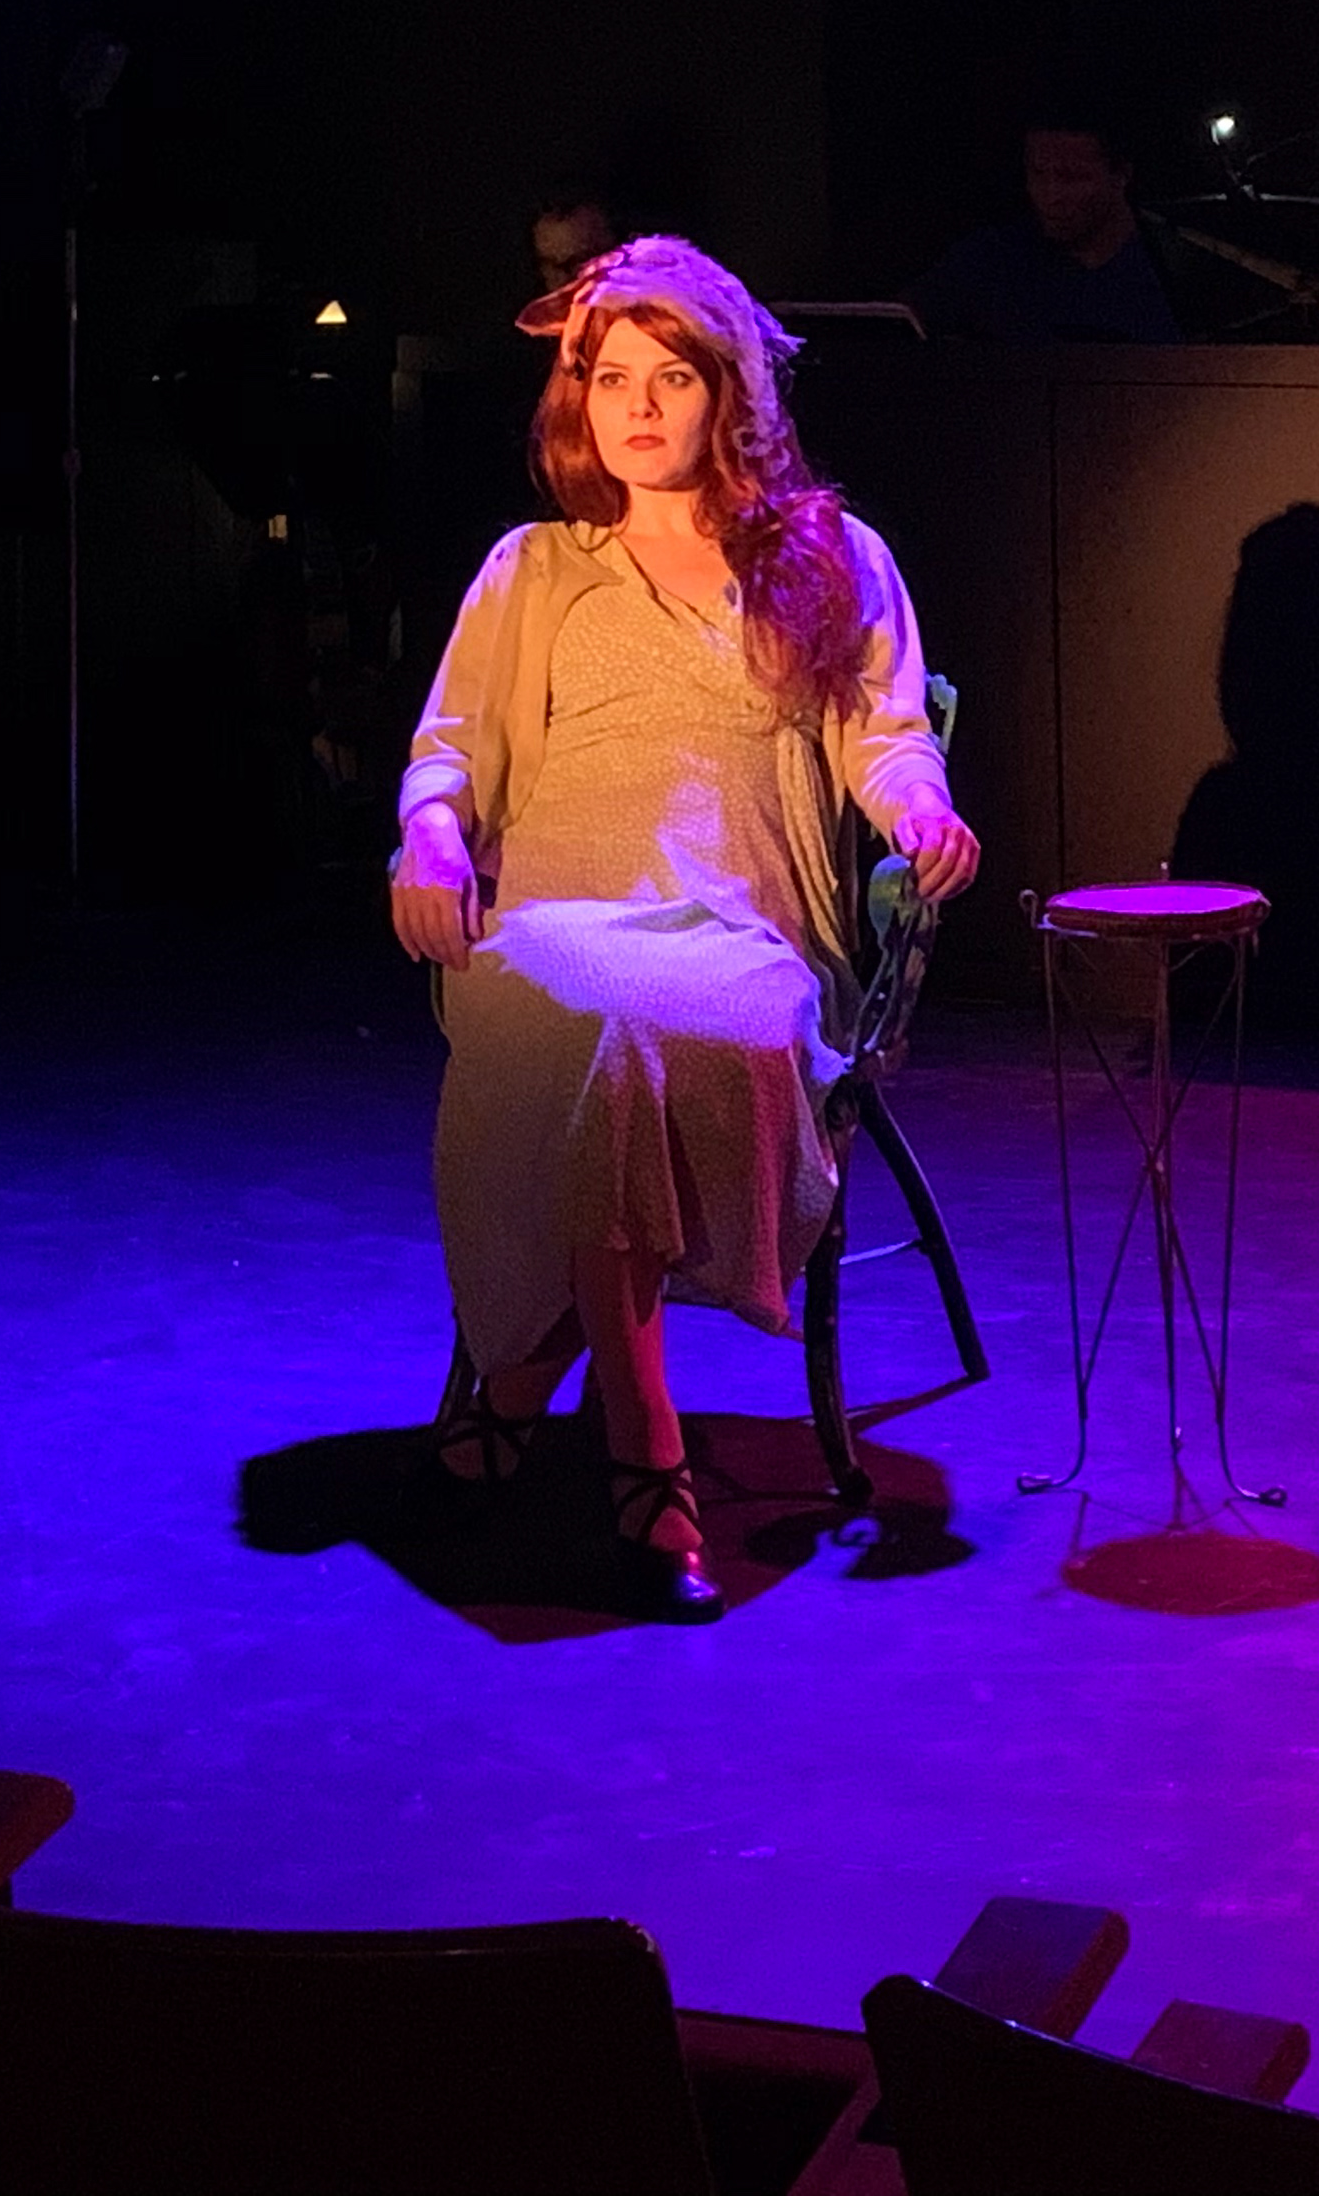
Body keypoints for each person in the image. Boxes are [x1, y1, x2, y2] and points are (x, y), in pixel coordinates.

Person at [389, 236, 982, 1619]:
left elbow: (886, 733)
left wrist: (921, 812)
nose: (639, 407)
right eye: (610, 378)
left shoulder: (831, 559)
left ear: (732, 394)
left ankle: (519, 1388)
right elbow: (444, 755)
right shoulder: (534, 567)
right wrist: (429, 838)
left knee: (641, 1040)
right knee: (600, 1025)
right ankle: (648, 1460)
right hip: (551, 922)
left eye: (672, 377)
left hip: (743, 927)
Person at [910, 108, 1184, 344]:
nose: (1051, 195)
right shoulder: (991, 257)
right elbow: (900, 321)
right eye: (1038, 173)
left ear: (1121, 175)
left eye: (1072, 177)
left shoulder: (1177, 262)